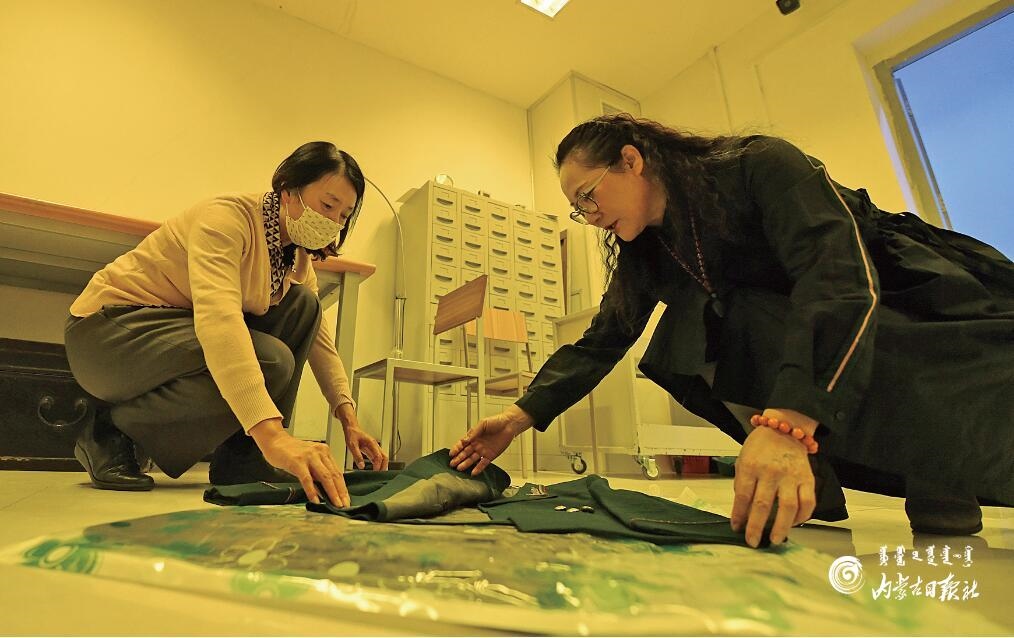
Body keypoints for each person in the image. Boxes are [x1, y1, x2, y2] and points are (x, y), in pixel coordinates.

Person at [451, 114, 1013, 548]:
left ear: (631, 160)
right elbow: (603, 339)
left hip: (893, 293)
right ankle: (817, 478)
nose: (589, 215)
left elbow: (836, 279)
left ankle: (937, 474)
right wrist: (518, 417)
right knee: (695, 329)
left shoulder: (756, 164)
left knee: (791, 324)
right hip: (792, 323)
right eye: (579, 209)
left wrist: (789, 424)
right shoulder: (648, 249)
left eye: (588, 196)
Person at [65, 141, 388, 505]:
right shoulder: (226, 220)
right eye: (328, 205)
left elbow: (319, 341)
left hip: (166, 338)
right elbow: (219, 321)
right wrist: (274, 436)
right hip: (104, 334)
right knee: (270, 360)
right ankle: (108, 433)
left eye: (344, 216)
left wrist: (349, 419)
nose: (332, 222)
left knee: (303, 307)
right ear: (288, 189)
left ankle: (243, 459)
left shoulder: (295, 259)